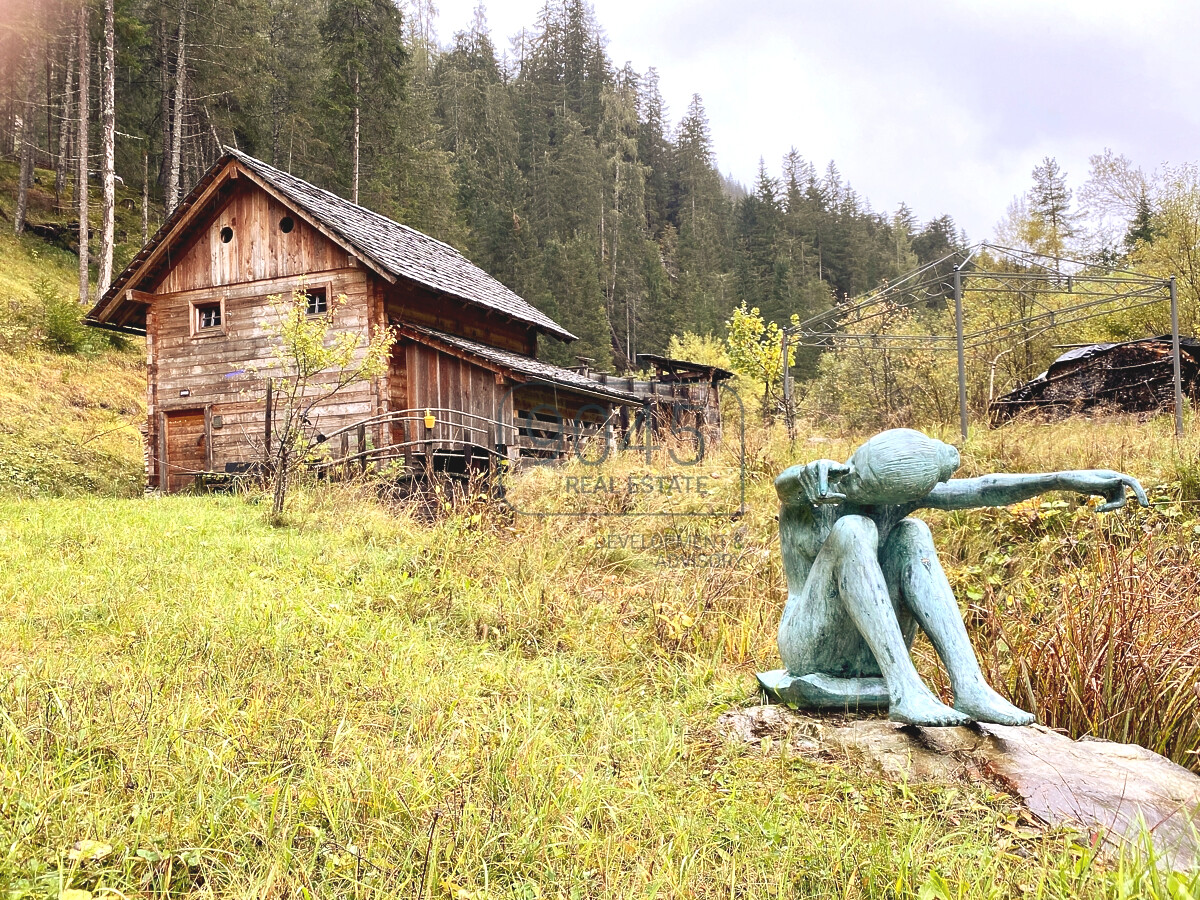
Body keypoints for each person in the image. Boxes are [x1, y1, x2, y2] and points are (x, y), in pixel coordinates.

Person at [760, 428, 1147, 726]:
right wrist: (804, 475)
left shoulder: (896, 499)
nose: (851, 487)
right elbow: (786, 485)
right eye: (857, 476)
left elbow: (984, 489)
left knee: (913, 532)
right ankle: (905, 689)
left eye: (866, 489)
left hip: (866, 657)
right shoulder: (820, 487)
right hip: (810, 645)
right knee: (852, 528)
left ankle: (970, 686)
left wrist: (1065, 479)